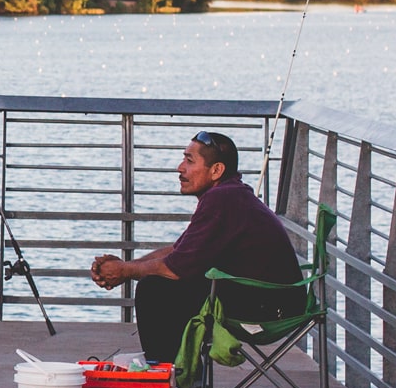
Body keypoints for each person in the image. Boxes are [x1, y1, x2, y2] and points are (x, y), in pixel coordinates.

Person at [90, 131, 302, 366]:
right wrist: (126, 267)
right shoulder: (230, 195)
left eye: (190, 161)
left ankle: (171, 376)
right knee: (167, 284)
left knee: (155, 290)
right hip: (270, 299)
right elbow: (179, 251)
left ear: (216, 171)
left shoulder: (222, 199)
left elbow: (175, 268)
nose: (180, 168)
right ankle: (181, 375)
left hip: (269, 311)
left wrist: (124, 271)